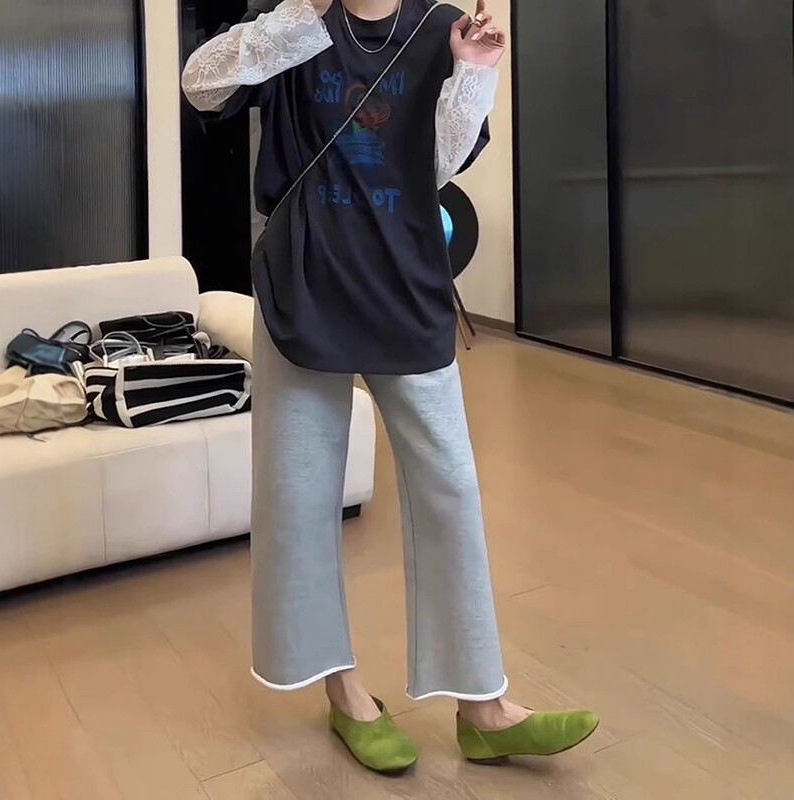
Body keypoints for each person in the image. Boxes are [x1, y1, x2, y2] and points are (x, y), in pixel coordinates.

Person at [182, 0, 598, 774]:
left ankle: (483, 707)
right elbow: (201, 83)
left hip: (406, 291)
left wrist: (473, 71)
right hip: (304, 293)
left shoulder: (442, 27)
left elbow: (433, 167)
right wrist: (299, 18)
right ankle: (344, 694)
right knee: (300, 499)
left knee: (451, 487)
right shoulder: (298, 21)